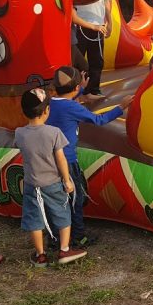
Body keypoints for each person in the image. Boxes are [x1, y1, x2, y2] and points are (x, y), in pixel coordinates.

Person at [0, 88, 87, 266]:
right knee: (62, 213)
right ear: (46, 111)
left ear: (24, 111)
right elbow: (61, 159)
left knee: (34, 219)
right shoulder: (53, 133)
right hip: (52, 182)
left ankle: (40, 255)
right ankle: (64, 250)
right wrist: (67, 180)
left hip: (31, 184)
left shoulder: (20, 133)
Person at [48, 66, 129, 247]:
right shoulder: (72, 107)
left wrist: (81, 88)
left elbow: (67, 96)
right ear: (76, 88)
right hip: (67, 161)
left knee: (56, 200)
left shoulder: (51, 102)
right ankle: (77, 236)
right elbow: (98, 120)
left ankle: (55, 235)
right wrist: (121, 107)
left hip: (49, 161)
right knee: (75, 199)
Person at [72, 0, 111, 99]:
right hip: (81, 25)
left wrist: (110, 23)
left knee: (97, 61)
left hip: (98, 26)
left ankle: (93, 90)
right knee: (78, 61)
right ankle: (75, 90)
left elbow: (107, 2)